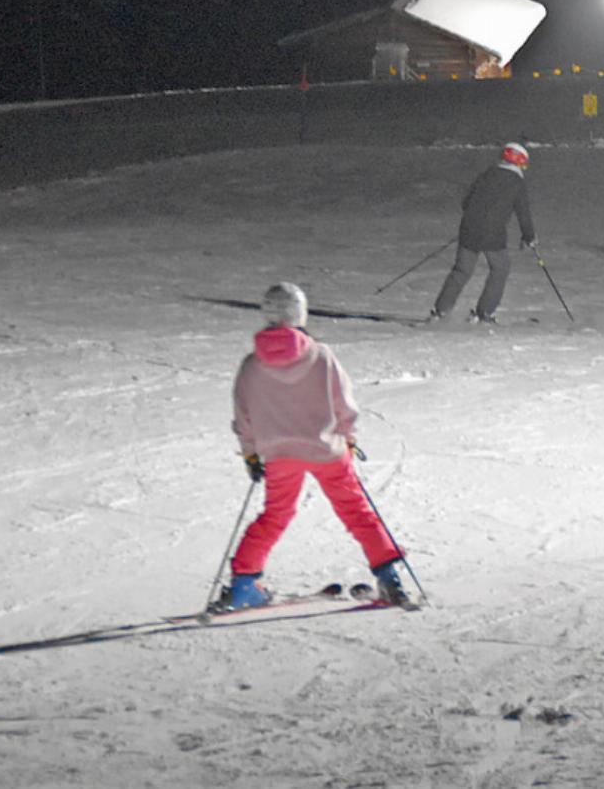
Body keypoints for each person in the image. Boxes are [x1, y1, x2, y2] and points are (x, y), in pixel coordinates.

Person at [227, 282, 412, 609]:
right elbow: (345, 403)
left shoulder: (252, 366)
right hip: (327, 450)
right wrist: (348, 437)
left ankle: (244, 584)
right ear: (301, 313)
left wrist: (251, 453)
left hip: (280, 455)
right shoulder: (321, 356)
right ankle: (389, 578)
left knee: (274, 515)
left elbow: (244, 417)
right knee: (356, 511)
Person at [431, 142, 537, 324]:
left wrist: (475, 220)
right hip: (492, 234)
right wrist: (529, 237)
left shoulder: (487, 174)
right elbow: (523, 213)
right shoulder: (516, 182)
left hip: (468, 230)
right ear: (518, 162)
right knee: (500, 269)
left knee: (462, 270)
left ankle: (440, 311)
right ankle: (484, 313)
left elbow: (466, 202)